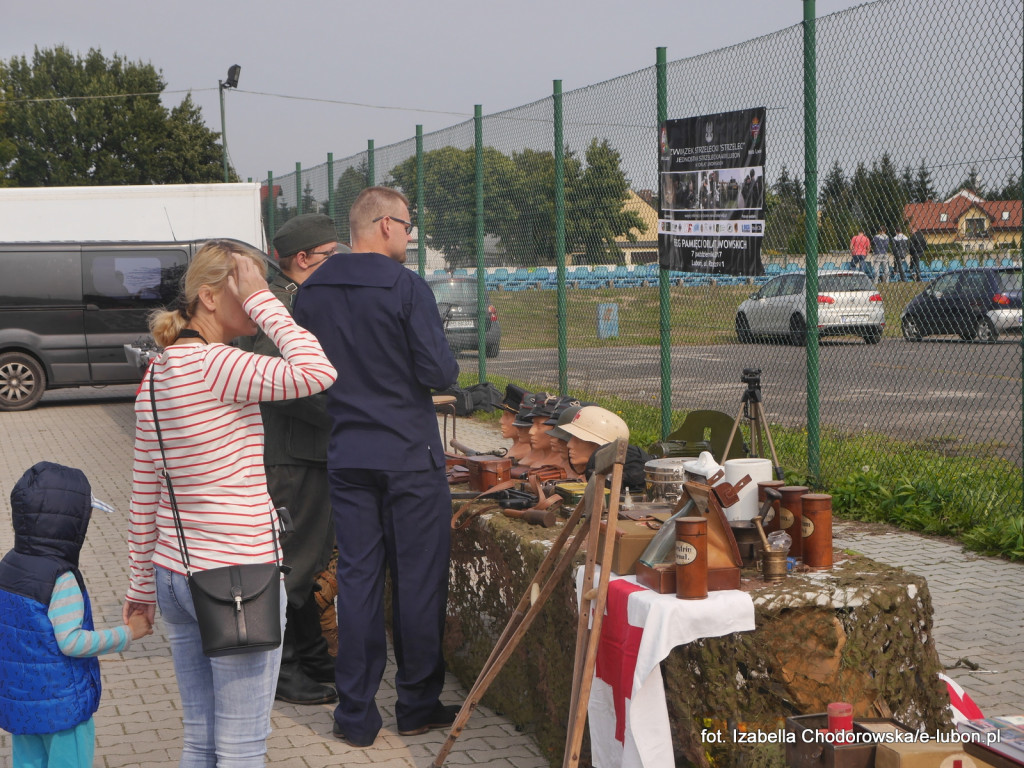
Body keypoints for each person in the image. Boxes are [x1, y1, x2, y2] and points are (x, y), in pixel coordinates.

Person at [123, 240, 337, 767]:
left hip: (175, 576)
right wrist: (267, 301)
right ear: (210, 297)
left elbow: (145, 486)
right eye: (243, 288)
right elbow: (318, 372)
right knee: (241, 747)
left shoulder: (158, 371)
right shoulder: (220, 365)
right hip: (238, 577)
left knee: (200, 739)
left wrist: (138, 587)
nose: (257, 298)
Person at [292, 187, 461, 748]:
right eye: (409, 227)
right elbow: (438, 372)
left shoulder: (310, 291)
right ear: (385, 225)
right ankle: (416, 704)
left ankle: (356, 715)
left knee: (358, 580)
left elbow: (305, 373)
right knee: (418, 579)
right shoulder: (406, 286)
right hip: (409, 455)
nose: (411, 237)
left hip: (347, 453)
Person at [238, 214, 348, 706]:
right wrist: (340, 413)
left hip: (303, 453)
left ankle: (310, 656)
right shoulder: (283, 303)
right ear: (302, 260)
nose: (338, 265)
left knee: (308, 559)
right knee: (291, 566)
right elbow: (272, 377)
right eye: (331, 256)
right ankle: (282, 672)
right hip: (290, 455)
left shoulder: (297, 297)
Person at [0, 462, 153, 768]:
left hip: (21, 707)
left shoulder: (8, 566)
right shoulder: (61, 578)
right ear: (67, 524)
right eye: (84, 516)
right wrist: (128, 633)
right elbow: (71, 642)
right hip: (63, 708)